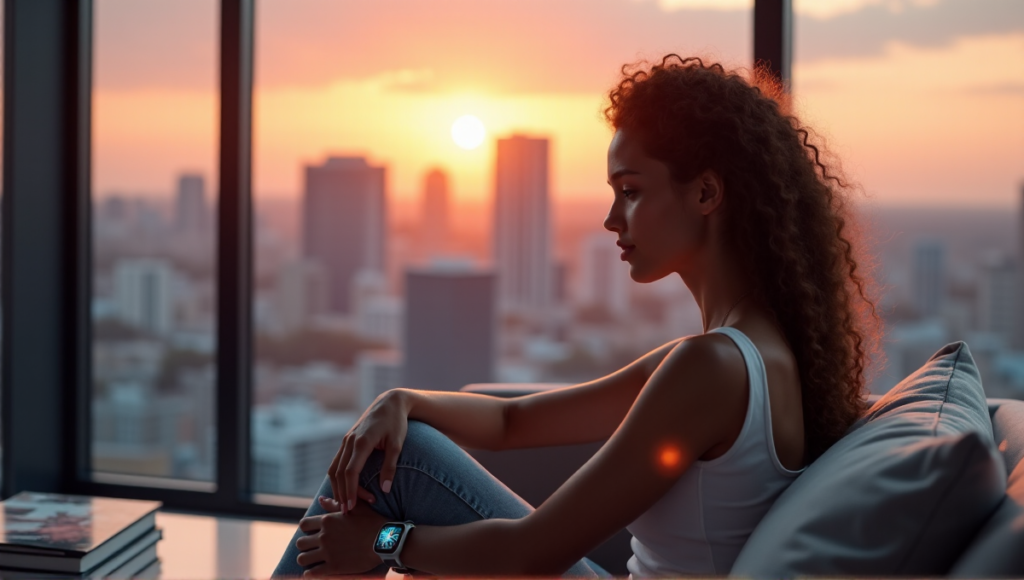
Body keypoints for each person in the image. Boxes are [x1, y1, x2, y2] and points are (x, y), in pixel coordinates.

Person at [272, 55, 879, 578]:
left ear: (705, 194)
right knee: (407, 441)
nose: (613, 220)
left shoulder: (713, 369)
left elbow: (531, 552)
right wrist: (403, 399)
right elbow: (515, 422)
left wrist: (382, 542)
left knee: (396, 464)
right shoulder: (740, 352)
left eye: (632, 191)